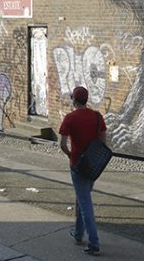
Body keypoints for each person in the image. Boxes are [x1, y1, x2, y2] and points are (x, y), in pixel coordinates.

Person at [59, 86, 105, 256]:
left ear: (74, 100)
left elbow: (62, 144)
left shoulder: (70, 118)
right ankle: (78, 234)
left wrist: (71, 155)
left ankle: (94, 243)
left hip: (77, 166)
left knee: (85, 204)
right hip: (92, 166)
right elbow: (103, 141)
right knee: (82, 198)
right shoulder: (97, 116)